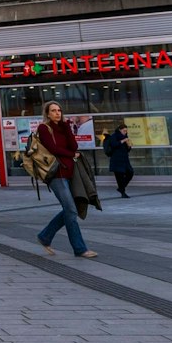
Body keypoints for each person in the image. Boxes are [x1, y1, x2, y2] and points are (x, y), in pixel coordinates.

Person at [33, 102, 97, 258]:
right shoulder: (44, 128)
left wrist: (67, 127)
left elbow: (73, 146)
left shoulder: (64, 127)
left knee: (70, 209)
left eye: (59, 110)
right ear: (47, 114)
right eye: (53, 111)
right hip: (56, 174)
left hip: (70, 173)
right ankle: (80, 249)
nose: (57, 113)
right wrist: (71, 154)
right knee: (71, 210)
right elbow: (53, 149)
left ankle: (45, 236)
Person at [102, 122, 134, 197]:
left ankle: (121, 188)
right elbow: (114, 145)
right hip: (116, 159)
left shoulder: (125, 136)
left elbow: (127, 150)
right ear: (120, 130)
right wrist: (123, 141)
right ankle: (123, 192)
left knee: (130, 173)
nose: (125, 132)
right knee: (119, 177)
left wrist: (129, 146)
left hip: (124, 159)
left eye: (126, 131)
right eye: (124, 131)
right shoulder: (114, 136)